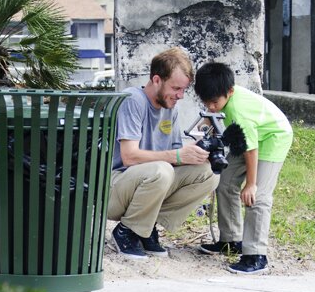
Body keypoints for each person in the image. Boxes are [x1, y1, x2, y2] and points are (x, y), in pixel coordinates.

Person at [108, 47, 218, 259]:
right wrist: (176, 156)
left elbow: (175, 152)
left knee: (209, 173)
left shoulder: (171, 108)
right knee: (162, 169)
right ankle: (126, 231)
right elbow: (129, 156)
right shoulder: (132, 99)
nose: (180, 95)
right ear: (156, 80)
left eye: (184, 90)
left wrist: (197, 151)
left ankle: (145, 227)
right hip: (114, 186)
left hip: (149, 182)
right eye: (176, 88)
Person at [194, 61, 293, 275]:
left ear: (229, 92)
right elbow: (216, 123)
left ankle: (256, 255)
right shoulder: (222, 99)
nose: (210, 106)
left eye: (213, 102)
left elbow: (251, 149)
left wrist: (251, 184)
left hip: (273, 137)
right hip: (251, 137)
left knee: (257, 196)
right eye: (206, 102)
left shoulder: (238, 109)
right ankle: (231, 241)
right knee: (225, 180)